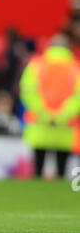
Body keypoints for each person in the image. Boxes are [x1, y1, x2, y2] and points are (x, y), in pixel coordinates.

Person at [19, 35, 80, 178]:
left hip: (39, 124)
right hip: (65, 126)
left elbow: (27, 91)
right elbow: (77, 97)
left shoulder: (36, 65)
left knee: (38, 169)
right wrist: (62, 115)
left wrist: (44, 113)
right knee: (61, 170)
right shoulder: (75, 68)